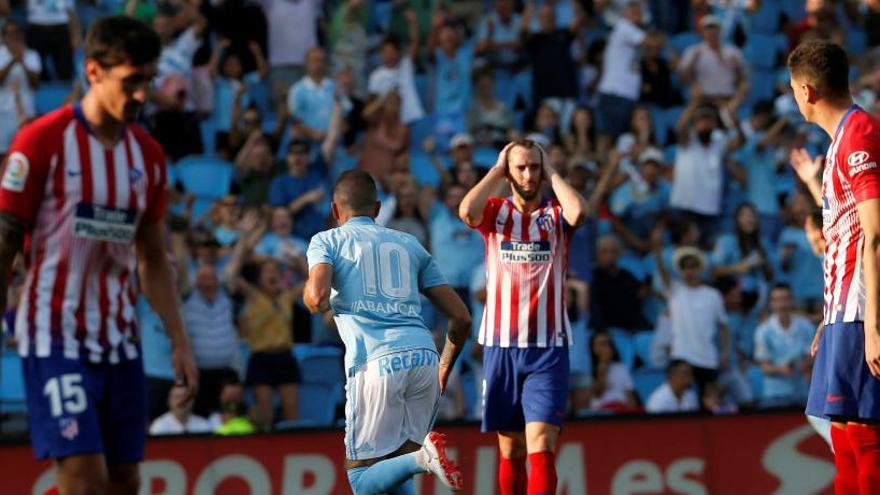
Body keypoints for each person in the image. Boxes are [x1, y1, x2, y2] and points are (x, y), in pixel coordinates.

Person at [0, 16, 197, 493]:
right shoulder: (41, 141)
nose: (142, 95)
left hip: (119, 340)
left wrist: (178, 338)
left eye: (148, 81)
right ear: (93, 71)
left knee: (125, 480)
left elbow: (152, 257)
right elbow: (5, 244)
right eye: (131, 81)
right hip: (54, 336)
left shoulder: (147, 157)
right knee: (84, 477)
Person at [304, 170, 470, 493]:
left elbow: (316, 299)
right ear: (378, 209)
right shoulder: (409, 243)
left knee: (362, 479)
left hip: (376, 364)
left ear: (335, 211)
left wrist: (310, 294)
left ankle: (423, 459)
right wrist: (445, 364)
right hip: (424, 358)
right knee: (393, 473)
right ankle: (420, 459)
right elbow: (461, 318)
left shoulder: (326, 240)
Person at [459, 139, 589, 494]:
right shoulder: (496, 213)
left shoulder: (555, 216)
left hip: (548, 347)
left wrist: (554, 172)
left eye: (534, 167)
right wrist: (496, 169)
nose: (528, 174)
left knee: (542, 445)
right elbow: (466, 211)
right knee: (510, 447)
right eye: (521, 167)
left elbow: (579, 211)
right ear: (509, 172)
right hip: (501, 347)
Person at [788, 40, 880, 494]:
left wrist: (874, 326)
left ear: (806, 91)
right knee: (844, 441)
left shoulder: (860, 132)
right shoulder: (840, 142)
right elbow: (847, 235)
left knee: (866, 442)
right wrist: (829, 317)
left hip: (862, 313)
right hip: (842, 314)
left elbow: (876, 235)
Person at [753, 283, 814, 408]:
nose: (782, 304)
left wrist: (805, 363)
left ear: (792, 300)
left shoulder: (806, 326)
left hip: (803, 393)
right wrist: (781, 369)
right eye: (777, 300)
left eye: (785, 298)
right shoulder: (763, 331)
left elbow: (814, 356)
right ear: (771, 303)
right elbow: (764, 367)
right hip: (774, 396)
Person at [149, 385, 213, 436]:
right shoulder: (159, 425)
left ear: (192, 401)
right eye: (177, 397)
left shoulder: (204, 425)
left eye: (185, 397)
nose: (181, 401)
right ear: (169, 401)